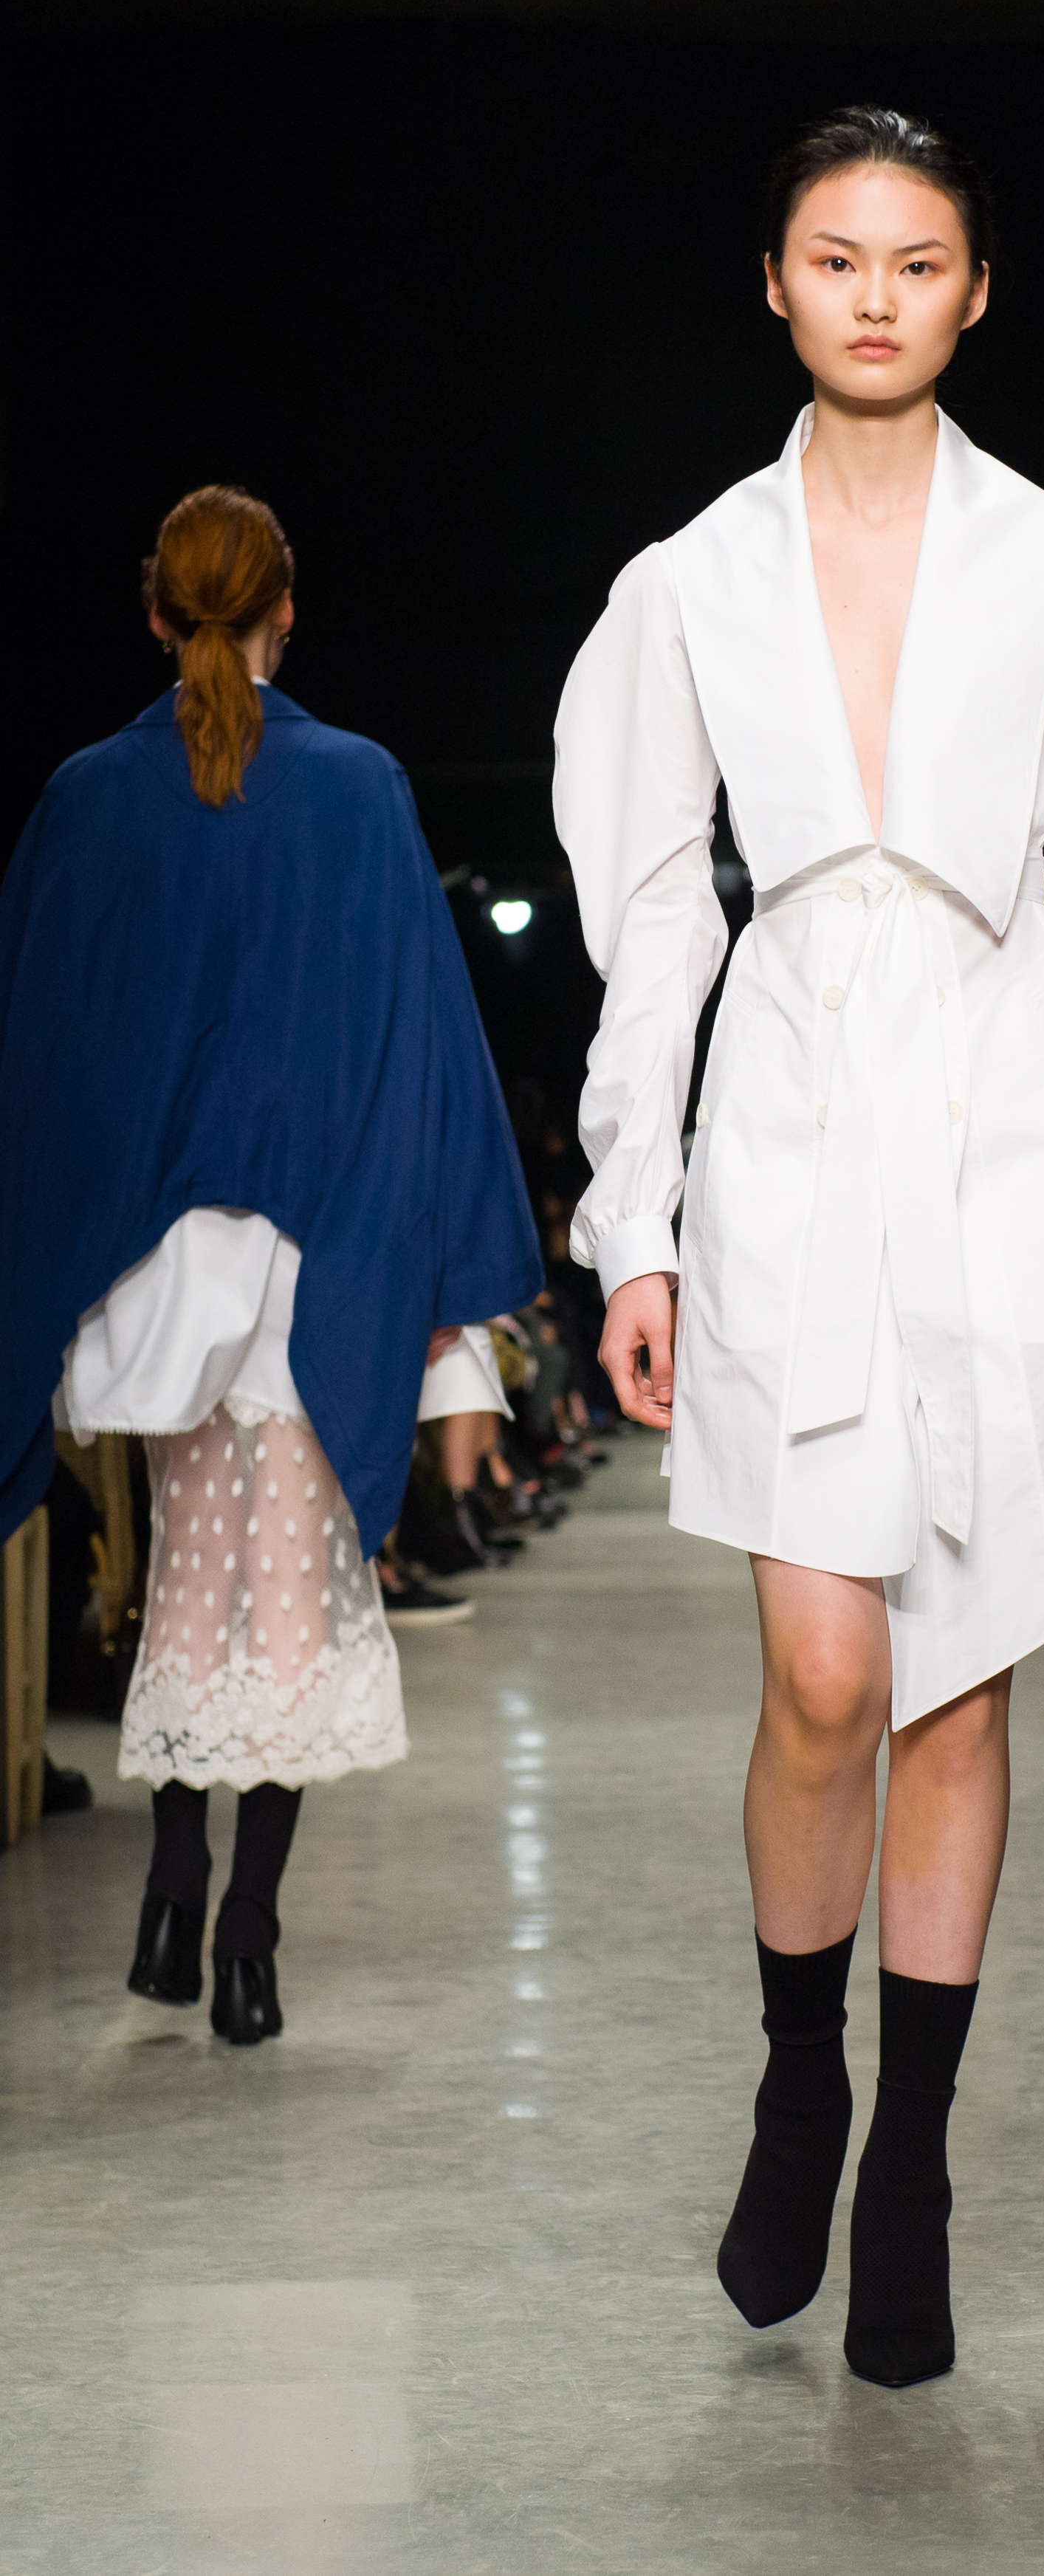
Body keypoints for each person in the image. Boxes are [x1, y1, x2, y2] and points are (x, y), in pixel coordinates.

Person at [553, 107, 1044, 2388]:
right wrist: (633, 1221)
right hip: (786, 1125)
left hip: (1021, 1128)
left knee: (954, 1681)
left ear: (975, 291)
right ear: (774, 283)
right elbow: (653, 917)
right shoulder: (689, 580)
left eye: (916, 259)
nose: (874, 295)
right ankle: (799, 2073)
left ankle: (914, 2156)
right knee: (825, 1673)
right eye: (835, 257)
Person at [0, 487, 540, 2041]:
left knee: (189, 1568)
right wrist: (448, 1293)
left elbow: (40, 1046)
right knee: (293, 1590)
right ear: (286, 610)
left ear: (155, 613)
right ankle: (247, 1931)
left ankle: (175, 1893)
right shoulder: (360, 788)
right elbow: (418, 1048)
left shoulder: (85, 797)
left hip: (153, 1268)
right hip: (321, 1255)